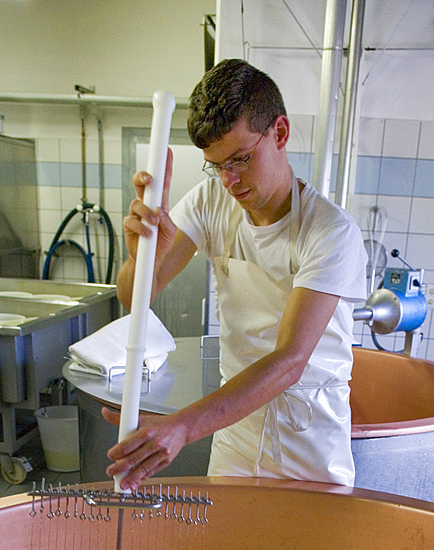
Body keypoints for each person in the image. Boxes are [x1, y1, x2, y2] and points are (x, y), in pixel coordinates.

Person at [104, 59, 367, 491]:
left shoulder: (329, 232)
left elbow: (289, 362)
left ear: (279, 133)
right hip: (235, 432)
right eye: (217, 165)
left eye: (241, 159)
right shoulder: (212, 200)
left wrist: (182, 428)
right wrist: (142, 256)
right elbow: (135, 298)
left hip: (309, 438)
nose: (229, 180)